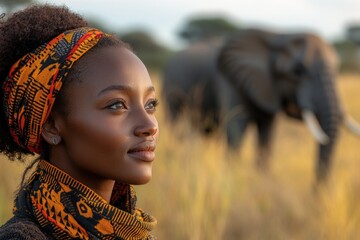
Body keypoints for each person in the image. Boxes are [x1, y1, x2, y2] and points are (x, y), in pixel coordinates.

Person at [0, 4, 158, 240]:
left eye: (150, 105)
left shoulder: (131, 231)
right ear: (51, 126)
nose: (150, 126)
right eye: (116, 105)